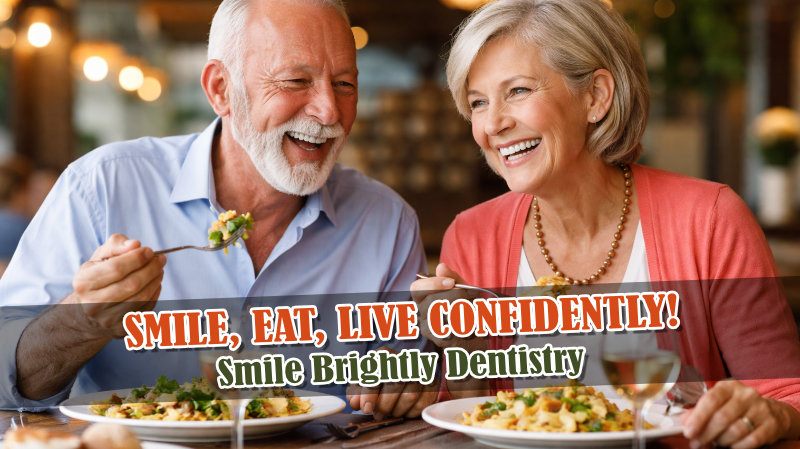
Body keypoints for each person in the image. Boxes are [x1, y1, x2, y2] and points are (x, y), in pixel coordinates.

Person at [0, 0, 433, 418]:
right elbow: (6, 379)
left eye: (345, 84)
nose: (328, 111)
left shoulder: (387, 222)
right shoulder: (102, 187)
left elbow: (406, 381)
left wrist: (406, 382)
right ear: (220, 90)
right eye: (295, 81)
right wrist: (82, 321)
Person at [408, 0, 800, 448]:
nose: (493, 124)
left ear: (595, 96)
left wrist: (765, 415)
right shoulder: (472, 235)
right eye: (478, 103)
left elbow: (786, 400)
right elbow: (472, 416)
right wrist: (463, 351)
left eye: (517, 91)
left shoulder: (709, 219)